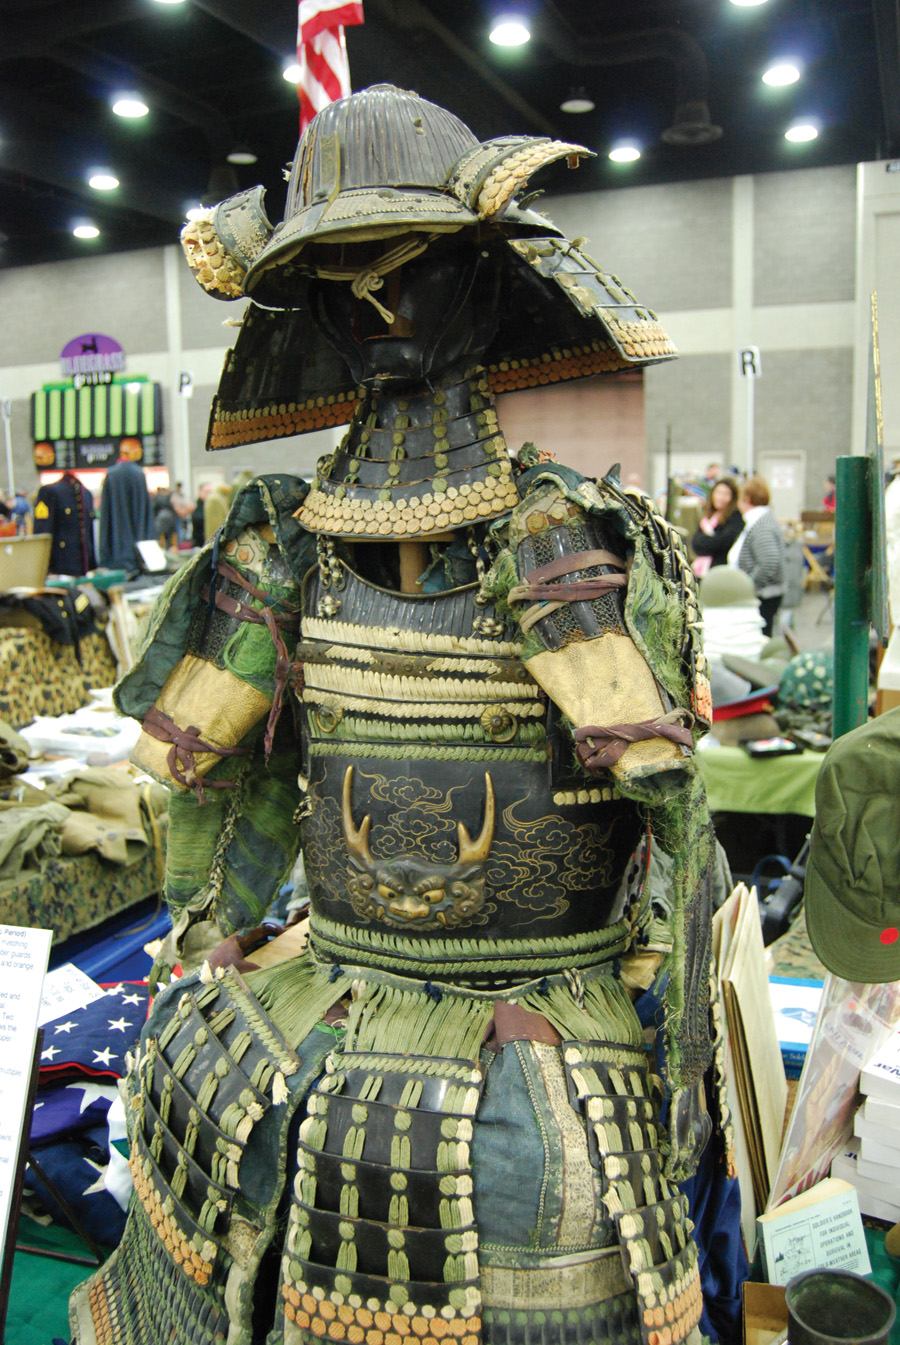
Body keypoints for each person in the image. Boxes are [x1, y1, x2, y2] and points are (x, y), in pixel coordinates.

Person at [71, 84, 737, 1345]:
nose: (375, 302)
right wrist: (211, 932)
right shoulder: (273, 547)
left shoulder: (571, 542)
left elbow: (670, 812)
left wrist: (672, 1009)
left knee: (542, 1164)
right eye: (337, 274)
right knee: (199, 1074)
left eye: (412, 268)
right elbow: (231, 784)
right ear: (305, 301)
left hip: (533, 1001)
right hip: (340, 971)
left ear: (484, 281)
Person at [728, 474, 786, 636]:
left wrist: (749, 586)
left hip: (763, 597)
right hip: (761, 595)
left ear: (746, 499)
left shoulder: (762, 526)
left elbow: (769, 561)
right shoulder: (759, 520)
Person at [98, 456, 155, 570]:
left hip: (116, 556)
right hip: (141, 555)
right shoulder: (140, 474)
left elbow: (105, 519)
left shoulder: (111, 475)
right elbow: (147, 517)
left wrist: (104, 556)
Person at [690, 475, 743, 577]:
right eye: (718, 493)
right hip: (703, 572)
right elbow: (695, 542)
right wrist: (710, 540)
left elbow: (722, 542)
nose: (720, 498)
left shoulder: (735, 517)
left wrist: (706, 541)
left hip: (722, 572)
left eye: (726, 494)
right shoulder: (708, 518)